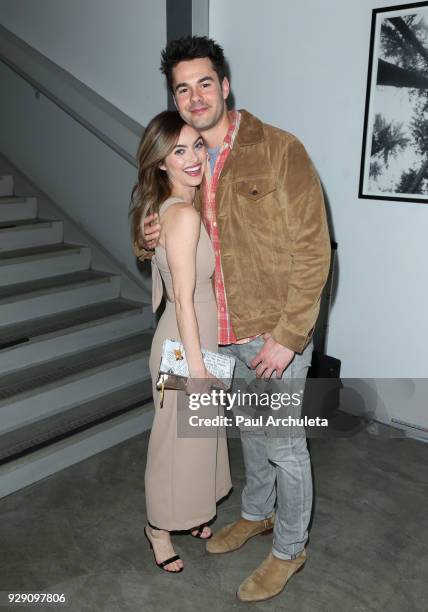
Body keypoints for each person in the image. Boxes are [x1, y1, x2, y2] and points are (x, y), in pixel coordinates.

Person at [134, 37, 331, 602]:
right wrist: (151, 237)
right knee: (247, 430)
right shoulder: (190, 160)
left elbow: (314, 251)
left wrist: (290, 337)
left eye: (204, 83)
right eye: (181, 87)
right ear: (174, 96)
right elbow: (181, 239)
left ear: (224, 86)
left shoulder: (279, 150)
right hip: (221, 333)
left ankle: (290, 549)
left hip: (273, 334)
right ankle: (254, 514)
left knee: (287, 444)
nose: (194, 96)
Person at [130, 110, 232, 573]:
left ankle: (187, 512)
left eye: (196, 145)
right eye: (178, 151)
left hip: (193, 335)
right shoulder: (183, 215)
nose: (192, 157)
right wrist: (197, 369)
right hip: (183, 340)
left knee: (197, 436)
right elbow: (186, 300)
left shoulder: (166, 208)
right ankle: (157, 527)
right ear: (161, 163)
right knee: (173, 440)